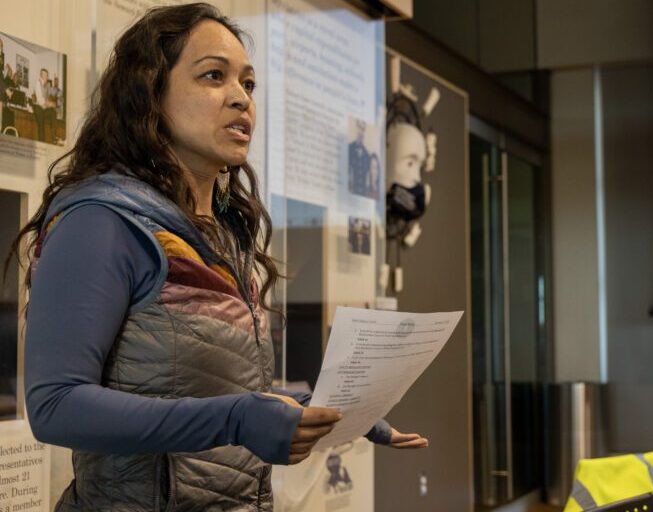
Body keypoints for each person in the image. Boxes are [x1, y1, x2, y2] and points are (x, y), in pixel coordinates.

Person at [5, 4, 426, 510]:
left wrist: (324, 412)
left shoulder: (225, 233)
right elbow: (55, 406)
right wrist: (238, 419)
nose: (240, 99)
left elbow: (213, 385)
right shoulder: (101, 221)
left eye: (248, 84)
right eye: (213, 76)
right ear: (150, 93)